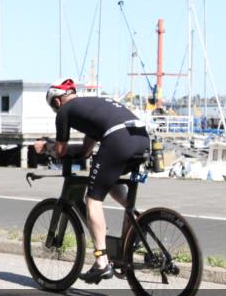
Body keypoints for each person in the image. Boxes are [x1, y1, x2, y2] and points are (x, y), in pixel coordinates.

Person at [33, 79, 151, 284]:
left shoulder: (64, 112)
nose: (55, 111)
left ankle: (101, 262)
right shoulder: (91, 107)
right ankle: (138, 221)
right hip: (141, 139)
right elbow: (86, 151)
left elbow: (60, 152)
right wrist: (62, 148)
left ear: (58, 102)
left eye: (53, 107)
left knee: (92, 200)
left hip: (118, 140)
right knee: (109, 180)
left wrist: (48, 146)